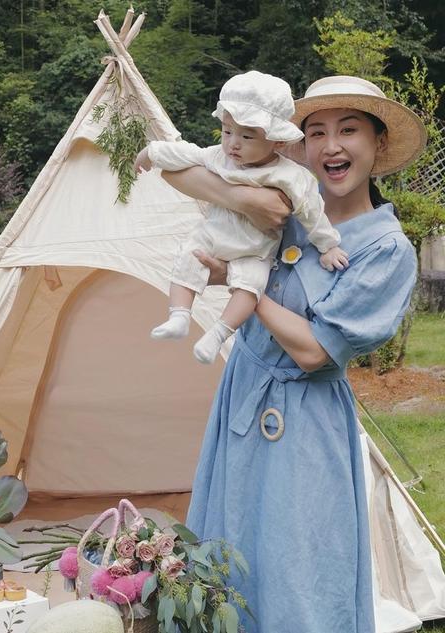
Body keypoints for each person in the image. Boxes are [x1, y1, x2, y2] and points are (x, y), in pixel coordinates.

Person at [162, 76, 426, 633]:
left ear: (377, 145)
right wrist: (239, 198)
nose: (332, 145)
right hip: (241, 399)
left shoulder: (385, 248)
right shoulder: (290, 205)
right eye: (317, 132)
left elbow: (314, 351)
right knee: (227, 557)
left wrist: (245, 286)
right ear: (299, 145)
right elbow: (173, 167)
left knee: (299, 568)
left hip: (305, 422)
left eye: (349, 130)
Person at [135, 71, 347, 364]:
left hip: (255, 250)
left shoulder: (289, 175)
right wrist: (152, 152)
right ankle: (180, 315)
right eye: (227, 131)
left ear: (277, 142)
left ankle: (218, 334)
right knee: (188, 256)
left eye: (247, 136)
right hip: (213, 236)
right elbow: (187, 155)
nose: (233, 143)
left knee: (250, 286)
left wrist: (328, 245)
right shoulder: (220, 157)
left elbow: (312, 211)